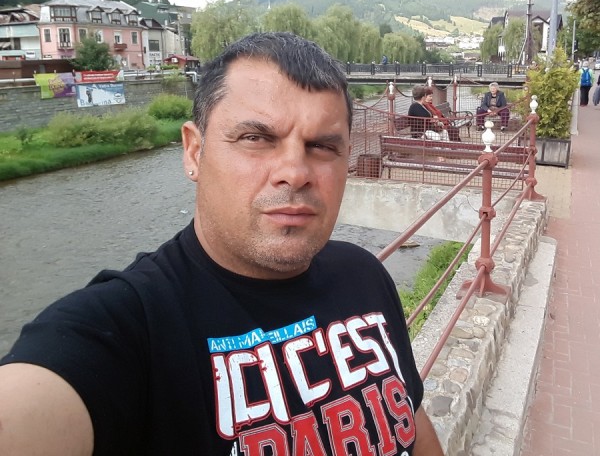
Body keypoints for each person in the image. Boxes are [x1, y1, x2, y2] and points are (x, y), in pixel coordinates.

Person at [0, 32, 443, 456]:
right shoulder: (129, 325)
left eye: (322, 146)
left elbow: (411, 420)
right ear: (194, 152)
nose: (295, 172)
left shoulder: (365, 276)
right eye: (256, 139)